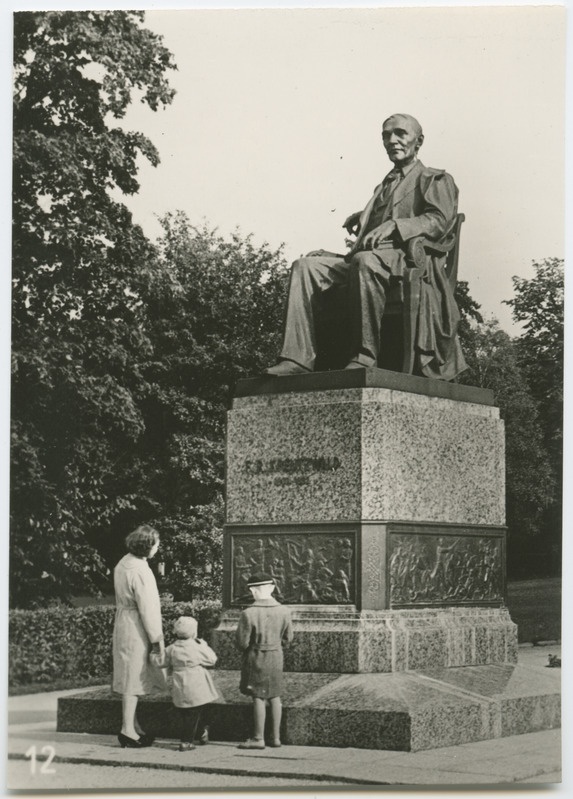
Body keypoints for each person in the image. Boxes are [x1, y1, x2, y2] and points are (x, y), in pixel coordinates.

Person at [264, 113, 467, 381]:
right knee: (305, 267)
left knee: (366, 262)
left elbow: (439, 221)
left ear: (419, 141)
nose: (392, 140)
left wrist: (396, 226)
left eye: (400, 133)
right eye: (386, 135)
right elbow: (368, 239)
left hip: (408, 263)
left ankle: (365, 355)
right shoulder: (383, 187)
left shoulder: (435, 179)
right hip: (368, 260)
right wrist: (350, 236)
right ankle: (296, 358)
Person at [112, 524, 165, 749]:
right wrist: (157, 639)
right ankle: (127, 730)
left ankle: (133, 727)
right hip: (137, 625)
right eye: (156, 544)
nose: (157, 548)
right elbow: (148, 607)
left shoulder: (124, 562)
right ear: (148, 546)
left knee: (128, 674)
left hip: (124, 620)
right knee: (133, 678)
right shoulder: (141, 571)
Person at [235, 573, 293, 749]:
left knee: (258, 697)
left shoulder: (248, 613)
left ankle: (258, 738)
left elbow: (242, 643)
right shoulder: (284, 611)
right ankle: (275, 738)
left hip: (256, 656)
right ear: (273, 588)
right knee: (275, 696)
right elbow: (288, 638)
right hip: (276, 655)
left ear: (253, 591)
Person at [152, 616, 219, 752]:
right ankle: (186, 741)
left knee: (187, 713)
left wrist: (154, 652)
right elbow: (212, 659)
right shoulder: (197, 646)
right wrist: (204, 645)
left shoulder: (171, 648)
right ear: (194, 632)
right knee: (196, 711)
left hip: (180, 684)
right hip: (197, 685)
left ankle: (200, 733)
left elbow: (160, 662)